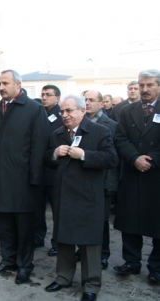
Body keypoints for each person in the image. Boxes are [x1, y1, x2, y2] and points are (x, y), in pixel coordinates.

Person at [44, 94, 118, 301]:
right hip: (64, 195)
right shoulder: (57, 134)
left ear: (82, 111)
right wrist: (54, 153)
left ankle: (91, 284)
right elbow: (48, 160)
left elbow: (112, 159)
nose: (65, 115)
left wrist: (84, 155)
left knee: (90, 243)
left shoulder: (99, 131)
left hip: (88, 196)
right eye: (62, 111)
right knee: (64, 239)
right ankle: (63, 277)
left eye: (69, 111)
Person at [0, 69, 49, 285]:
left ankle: (24, 265)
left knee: (24, 229)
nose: (1, 87)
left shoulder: (33, 109)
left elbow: (39, 146)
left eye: (5, 83)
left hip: (23, 181)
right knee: (5, 226)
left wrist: (35, 179)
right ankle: (8, 260)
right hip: (0, 179)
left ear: (18, 85)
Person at [113, 69, 160, 284]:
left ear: (158, 86)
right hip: (132, 173)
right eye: (142, 85)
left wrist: (150, 159)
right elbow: (120, 138)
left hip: (156, 174)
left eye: (150, 85)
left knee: (157, 222)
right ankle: (131, 261)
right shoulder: (126, 110)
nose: (144, 89)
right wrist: (134, 158)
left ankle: (156, 266)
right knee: (130, 220)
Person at [84, 90, 119, 269]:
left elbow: (113, 158)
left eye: (91, 100)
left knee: (102, 220)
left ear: (101, 104)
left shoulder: (111, 125)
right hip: (82, 181)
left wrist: (110, 185)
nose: (88, 103)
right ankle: (81, 250)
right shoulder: (79, 122)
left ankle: (103, 253)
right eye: (86, 100)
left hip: (103, 182)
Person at [34, 84, 64, 256]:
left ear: (57, 98)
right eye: (42, 94)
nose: (44, 97)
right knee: (37, 208)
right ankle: (37, 237)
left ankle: (58, 243)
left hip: (55, 171)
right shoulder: (39, 113)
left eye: (48, 95)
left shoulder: (61, 116)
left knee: (57, 210)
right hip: (39, 170)